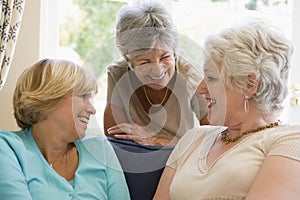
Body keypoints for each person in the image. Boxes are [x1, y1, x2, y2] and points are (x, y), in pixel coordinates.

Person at [154, 21, 300, 199]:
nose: (200, 89)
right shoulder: (193, 138)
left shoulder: (291, 140)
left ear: (249, 84)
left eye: (211, 78)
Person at [0, 59, 130, 199]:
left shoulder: (100, 148)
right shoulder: (7, 148)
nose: (92, 110)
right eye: (82, 96)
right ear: (48, 98)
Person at [104, 1, 209, 146]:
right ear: (129, 60)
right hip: (135, 157)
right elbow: (113, 138)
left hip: (181, 158)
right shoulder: (117, 73)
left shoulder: (192, 76)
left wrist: (155, 141)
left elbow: (213, 140)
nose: (158, 70)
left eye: (165, 57)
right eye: (145, 62)